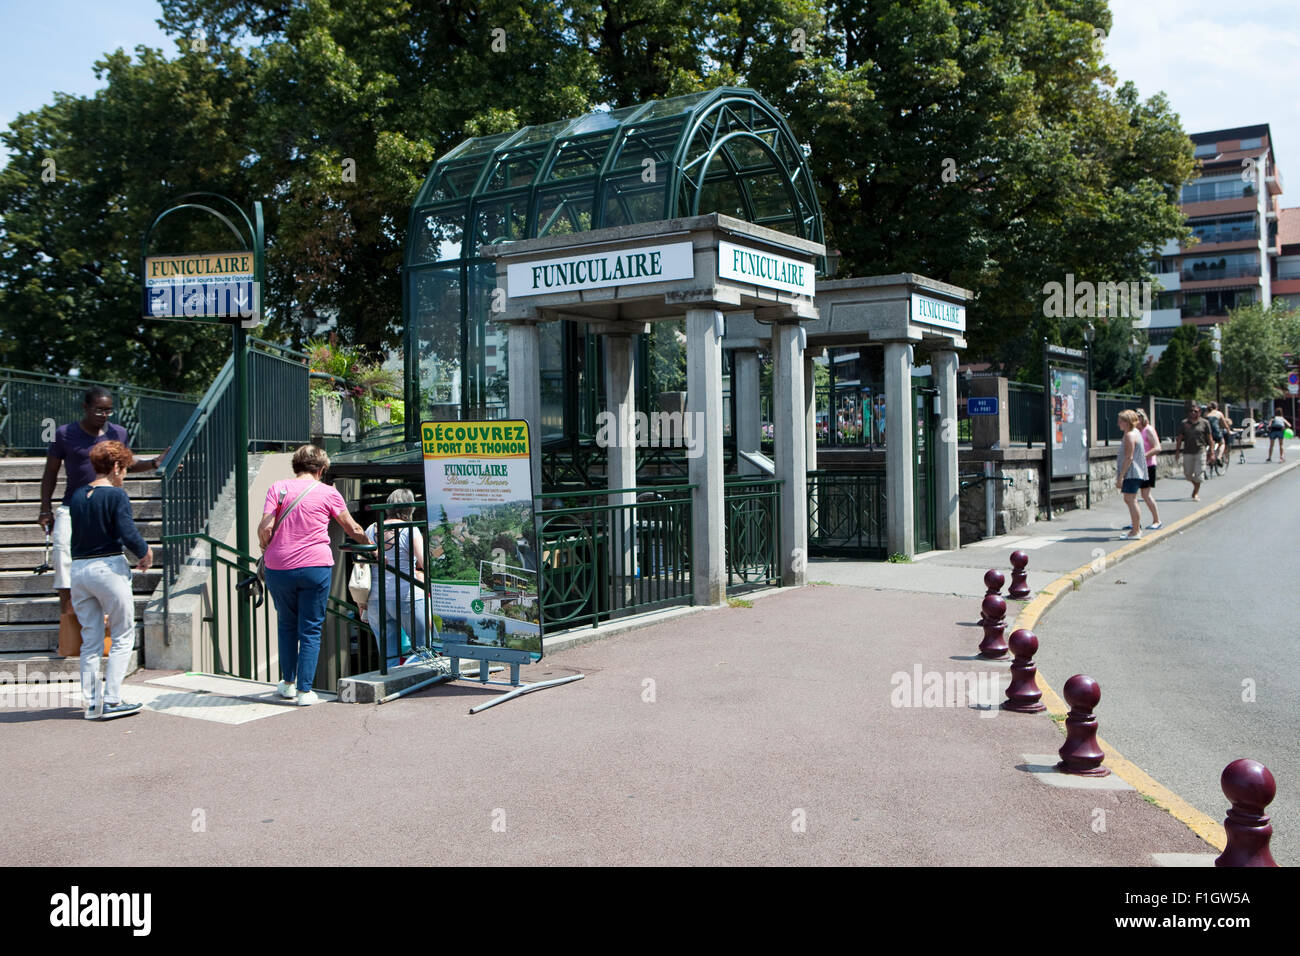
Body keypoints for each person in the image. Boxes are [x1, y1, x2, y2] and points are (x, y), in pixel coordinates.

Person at [39, 387, 167, 628]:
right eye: (99, 409)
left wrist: (152, 463)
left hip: (106, 505)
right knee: (63, 559)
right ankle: (69, 624)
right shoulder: (64, 434)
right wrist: (45, 508)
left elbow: (126, 464)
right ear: (85, 408)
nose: (104, 414)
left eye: (109, 410)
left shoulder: (119, 432)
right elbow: (50, 473)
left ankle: (106, 621)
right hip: (72, 507)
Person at [257, 445, 370, 706]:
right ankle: (305, 691)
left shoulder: (278, 488)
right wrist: (371, 546)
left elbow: (266, 527)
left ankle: (287, 683)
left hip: (278, 567)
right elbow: (351, 527)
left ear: (296, 466)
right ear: (321, 469)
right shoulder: (329, 493)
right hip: (314, 567)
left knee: (286, 624)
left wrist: (267, 546)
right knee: (310, 628)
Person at [68, 441, 153, 720]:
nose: (125, 474)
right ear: (116, 467)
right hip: (108, 568)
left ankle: (92, 704)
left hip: (79, 570)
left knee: (90, 639)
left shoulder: (79, 495)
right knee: (122, 634)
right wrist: (145, 552)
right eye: (125, 468)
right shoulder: (117, 495)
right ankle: (113, 701)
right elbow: (127, 531)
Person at [361, 488, 431, 666]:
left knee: (388, 656)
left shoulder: (371, 529)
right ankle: (416, 683)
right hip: (407, 597)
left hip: (376, 599)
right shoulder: (409, 529)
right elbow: (424, 562)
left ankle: (393, 686)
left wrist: (361, 603)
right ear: (410, 508)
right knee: (424, 649)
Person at [1114, 410, 1148, 539]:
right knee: (1129, 499)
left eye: (1121, 420)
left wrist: (1121, 476)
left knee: (1131, 499)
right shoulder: (1135, 433)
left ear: (1127, 422)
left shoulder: (1129, 435)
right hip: (1136, 471)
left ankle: (1135, 531)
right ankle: (1135, 528)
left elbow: (1129, 457)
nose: (1118, 423)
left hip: (1132, 472)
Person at [1172, 404, 1213, 501]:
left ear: (1199, 412)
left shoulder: (1205, 423)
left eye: (1195, 411)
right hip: (1188, 451)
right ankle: (1195, 486)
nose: (1193, 413)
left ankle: (1195, 493)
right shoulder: (1184, 423)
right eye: (1191, 411)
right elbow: (1180, 438)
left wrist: (1211, 451)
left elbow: (1210, 438)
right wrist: (1177, 451)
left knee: (1199, 474)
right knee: (1188, 474)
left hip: (1200, 451)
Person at [1134, 409, 1162, 530]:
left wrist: (1144, 456)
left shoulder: (1148, 430)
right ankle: (1135, 522)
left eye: (1137, 417)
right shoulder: (1135, 431)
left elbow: (1157, 448)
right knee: (1131, 495)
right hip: (1136, 466)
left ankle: (1157, 520)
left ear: (1142, 418)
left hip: (1148, 465)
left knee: (1145, 494)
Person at [1205, 402, 1227, 468]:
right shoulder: (1219, 413)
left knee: (1209, 444)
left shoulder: (1206, 413)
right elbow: (1225, 424)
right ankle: (1219, 457)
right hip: (1215, 432)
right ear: (1216, 407)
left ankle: (1207, 459)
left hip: (1207, 433)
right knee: (1222, 443)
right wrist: (1228, 430)